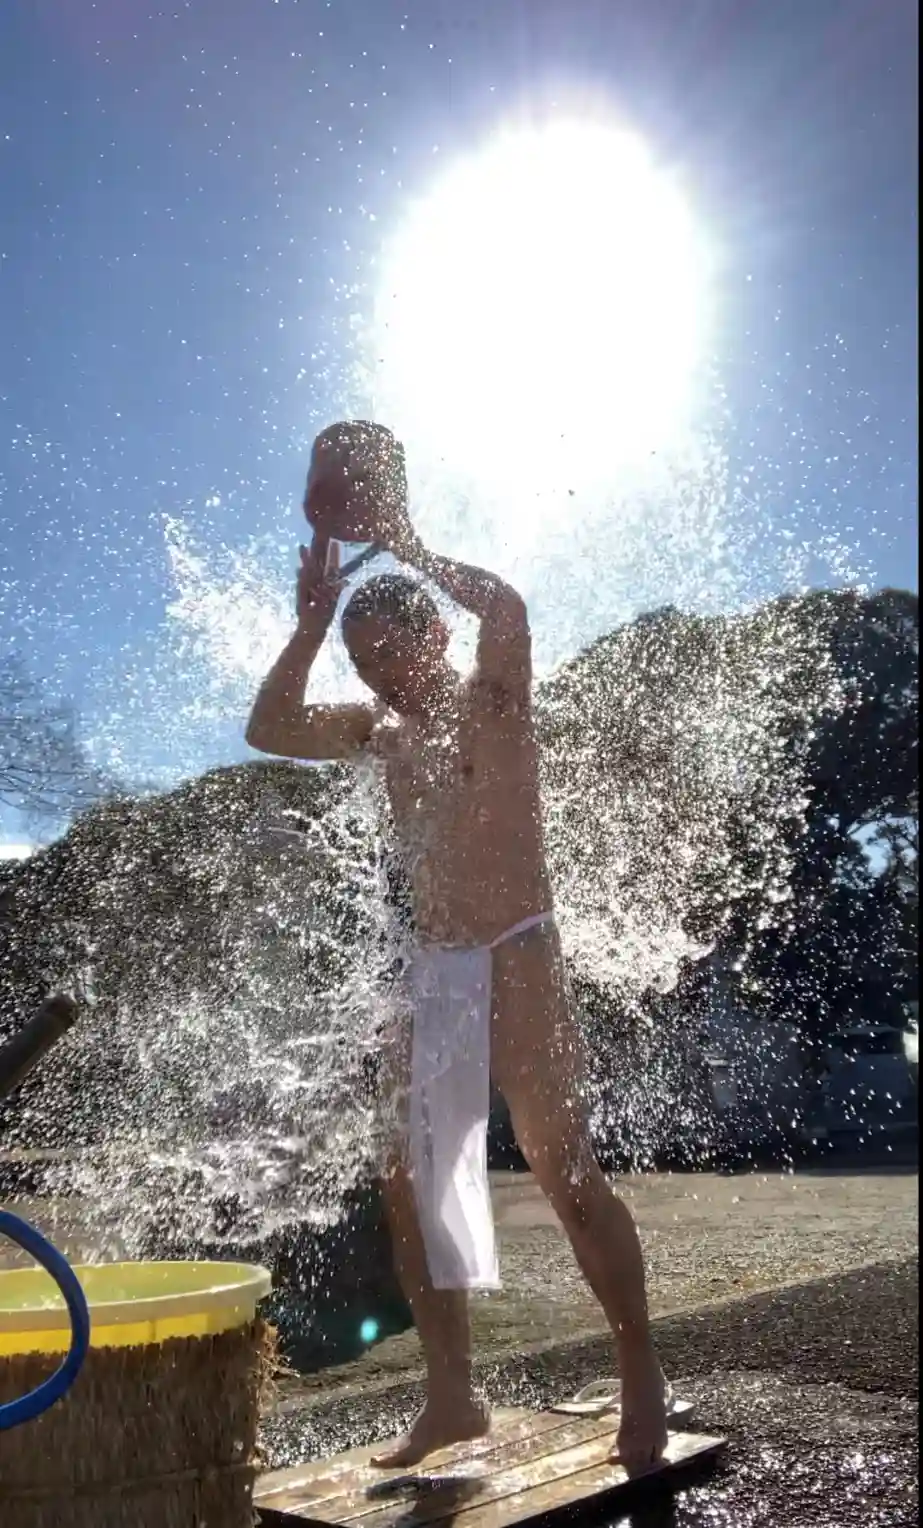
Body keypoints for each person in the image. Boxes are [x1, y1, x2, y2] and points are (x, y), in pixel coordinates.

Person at [245, 423, 668, 1472]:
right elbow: (269, 727)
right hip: (436, 969)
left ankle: (640, 1370)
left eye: (384, 651)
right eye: (359, 662)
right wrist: (308, 628)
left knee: (564, 1172)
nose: (375, 674)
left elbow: (507, 608)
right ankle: (452, 1397)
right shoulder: (378, 735)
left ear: (430, 634)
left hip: (520, 950)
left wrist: (406, 540)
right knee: (412, 1182)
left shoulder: (495, 702)